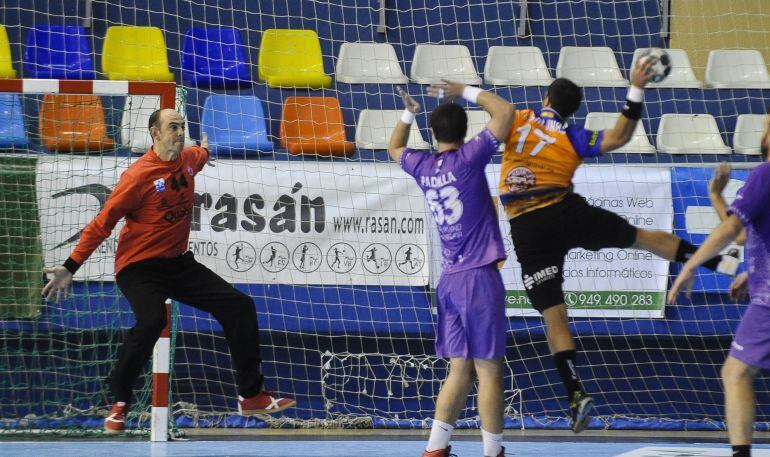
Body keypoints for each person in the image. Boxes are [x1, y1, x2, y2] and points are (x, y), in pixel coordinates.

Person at [480, 57, 740, 433]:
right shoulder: (572, 135)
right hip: (568, 211)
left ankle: (575, 392)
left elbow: (495, 112)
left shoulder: (518, 119)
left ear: (545, 96)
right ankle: (724, 265)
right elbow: (620, 137)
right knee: (642, 239)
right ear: (572, 109)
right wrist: (635, 87)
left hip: (528, 229)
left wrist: (467, 91)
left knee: (554, 313)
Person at [42, 109, 295, 434]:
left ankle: (251, 395)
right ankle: (120, 400)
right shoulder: (137, 177)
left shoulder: (189, 158)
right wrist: (69, 267)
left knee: (240, 306)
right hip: (138, 267)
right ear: (155, 134)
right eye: (173, 127)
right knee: (152, 321)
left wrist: (205, 148)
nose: (179, 132)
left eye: (182, 127)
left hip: (177, 263)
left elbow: (199, 155)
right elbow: (102, 225)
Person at [389, 82, 515, 457]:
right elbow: (505, 113)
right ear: (465, 131)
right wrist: (463, 89)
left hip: (450, 281)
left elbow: (394, 148)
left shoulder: (423, 166)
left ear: (433, 134)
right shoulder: (470, 158)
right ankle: (493, 453)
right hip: (479, 278)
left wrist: (408, 111)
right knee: (489, 370)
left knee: (460, 369)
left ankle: (435, 449)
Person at [668, 110, 770, 457]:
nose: (765, 124)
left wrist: (689, 266)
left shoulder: (765, 174)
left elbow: (730, 232)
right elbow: (746, 235)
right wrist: (715, 196)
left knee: (736, 373)